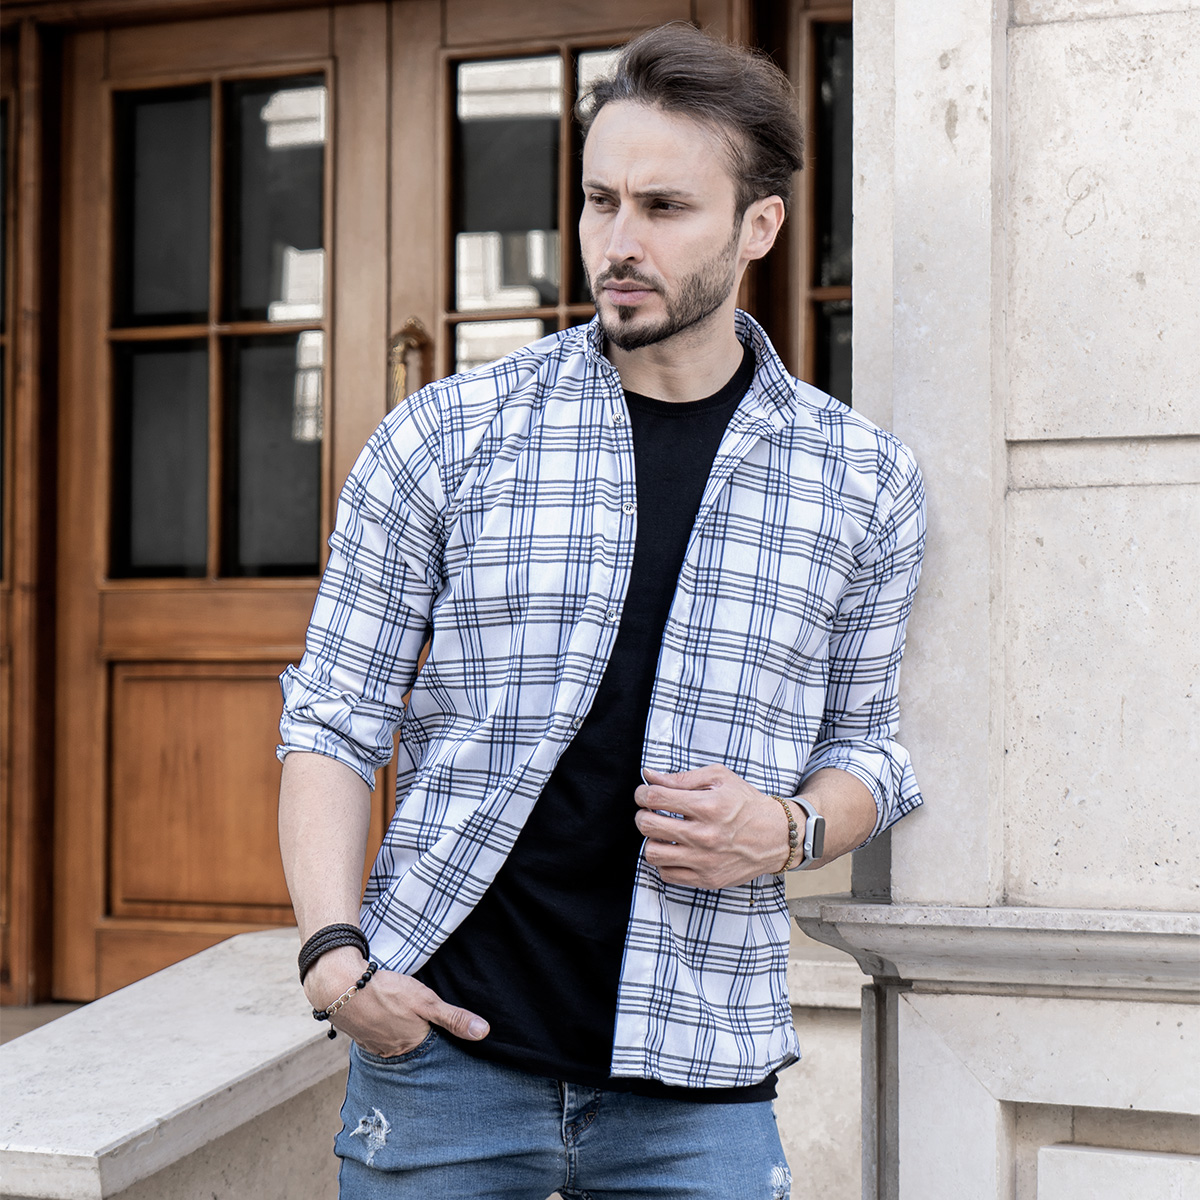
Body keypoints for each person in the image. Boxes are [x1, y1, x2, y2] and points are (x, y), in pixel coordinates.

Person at [278, 22, 925, 1200]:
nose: (619, 242)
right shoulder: (447, 437)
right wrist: (334, 958)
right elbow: (334, 715)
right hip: (440, 1055)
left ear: (759, 227)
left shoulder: (861, 481)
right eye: (599, 201)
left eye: (664, 208)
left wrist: (785, 830)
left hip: (700, 1080)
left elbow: (870, 751)